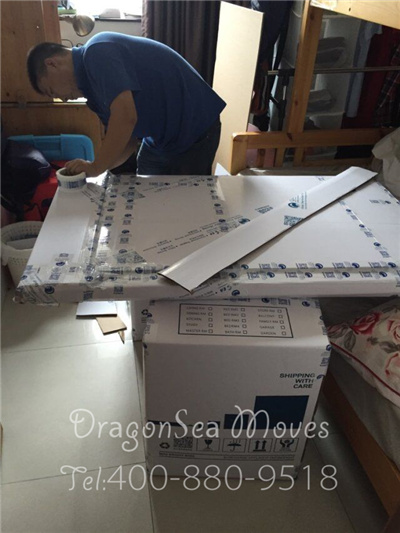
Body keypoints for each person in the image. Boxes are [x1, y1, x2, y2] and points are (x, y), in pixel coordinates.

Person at [27, 32, 226, 176]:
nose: (61, 98)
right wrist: (98, 170)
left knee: (185, 206)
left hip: (195, 128)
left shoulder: (97, 51)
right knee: (146, 195)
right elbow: (127, 139)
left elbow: (126, 118)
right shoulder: (92, 94)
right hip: (160, 139)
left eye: (52, 91)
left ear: (52, 63)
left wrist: (95, 167)